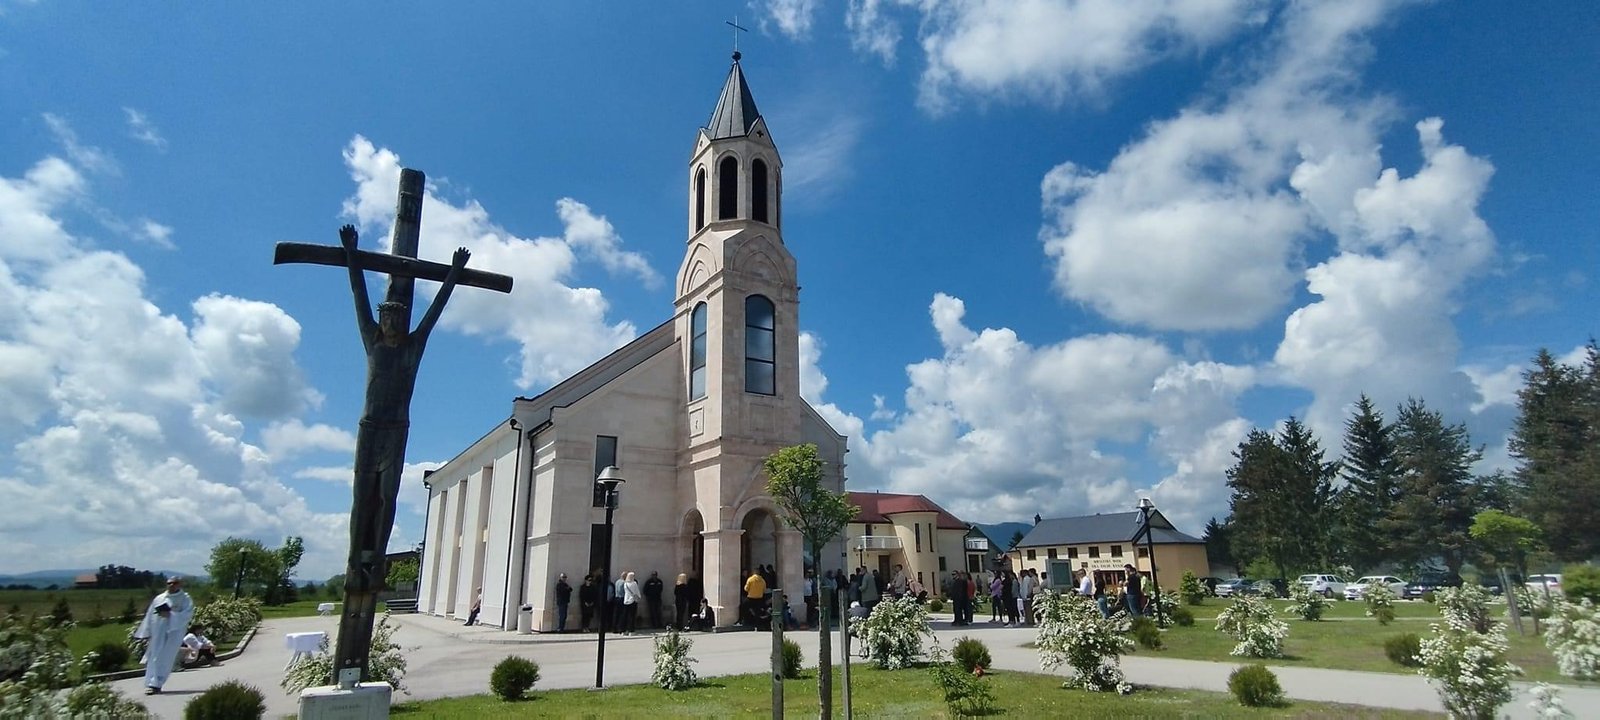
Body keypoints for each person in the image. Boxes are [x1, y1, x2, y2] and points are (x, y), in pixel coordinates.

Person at [132, 576, 194, 695]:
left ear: (179, 584)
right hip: (158, 632)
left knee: (166, 657)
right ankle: (152, 683)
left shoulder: (185, 599)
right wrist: (147, 631)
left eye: (174, 583)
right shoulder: (159, 598)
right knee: (155, 656)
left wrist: (171, 615)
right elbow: (150, 615)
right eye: (169, 583)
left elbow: (187, 614)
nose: (171, 585)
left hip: (174, 634)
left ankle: (158, 682)